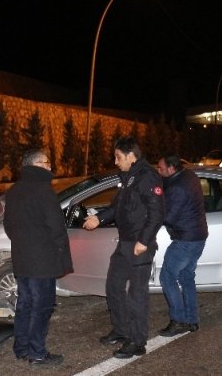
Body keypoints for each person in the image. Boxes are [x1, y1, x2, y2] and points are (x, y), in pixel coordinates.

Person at [82, 136, 164, 359]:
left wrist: (144, 241)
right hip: (125, 243)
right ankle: (121, 330)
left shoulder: (147, 177)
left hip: (139, 245)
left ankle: (137, 342)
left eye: (118, 157)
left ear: (130, 155)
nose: (115, 161)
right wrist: (99, 218)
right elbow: (117, 207)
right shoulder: (129, 178)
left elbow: (157, 213)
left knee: (137, 295)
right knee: (113, 286)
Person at [3, 149, 73, 367]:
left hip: (22, 259)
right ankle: (37, 354)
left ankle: (21, 348)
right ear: (34, 165)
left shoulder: (14, 190)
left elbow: (8, 225)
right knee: (41, 306)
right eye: (46, 162)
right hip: (42, 260)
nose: (50, 166)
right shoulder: (44, 190)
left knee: (25, 304)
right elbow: (56, 227)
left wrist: (24, 243)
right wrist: (61, 253)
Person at [155, 154, 209, 337]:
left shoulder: (177, 188)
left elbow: (167, 216)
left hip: (185, 240)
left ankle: (178, 320)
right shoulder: (189, 175)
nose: (159, 171)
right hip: (198, 237)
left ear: (171, 169)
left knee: (167, 277)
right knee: (187, 278)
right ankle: (192, 320)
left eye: (161, 168)